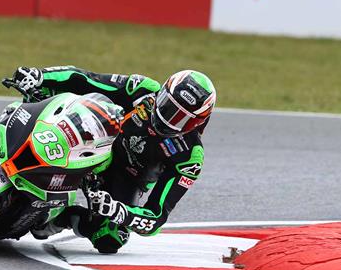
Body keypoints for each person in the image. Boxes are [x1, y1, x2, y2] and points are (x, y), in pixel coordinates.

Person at [11, 66, 216, 254]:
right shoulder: (142, 89)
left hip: (127, 179)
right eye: (167, 106)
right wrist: (41, 75)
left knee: (110, 237)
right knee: (46, 95)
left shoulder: (190, 156)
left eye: (181, 118)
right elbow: (86, 79)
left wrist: (120, 212)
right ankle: (2, 136)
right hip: (98, 141)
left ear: (198, 122)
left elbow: (155, 217)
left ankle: (60, 217)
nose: (167, 118)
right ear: (162, 92)